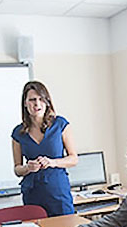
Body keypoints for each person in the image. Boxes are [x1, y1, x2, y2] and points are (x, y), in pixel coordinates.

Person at [11, 81, 78, 216]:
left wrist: (53, 162)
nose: (37, 104)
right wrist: (27, 168)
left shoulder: (60, 125)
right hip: (33, 193)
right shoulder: (18, 133)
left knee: (66, 226)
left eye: (41, 99)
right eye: (32, 100)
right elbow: (17, 169)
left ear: (47, 102)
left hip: (58, 191)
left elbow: (73, 159)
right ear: (25, 103)